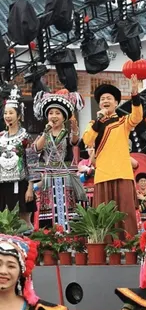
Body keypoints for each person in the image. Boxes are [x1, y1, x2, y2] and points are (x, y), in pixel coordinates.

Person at [82, 76, 142, 237]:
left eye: (109, 98)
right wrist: (98, 121)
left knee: (125, 212)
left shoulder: (123, 122)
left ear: (116, 103)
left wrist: (135, 94)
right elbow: (87, 140)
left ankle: (129, 244)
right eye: (102, 99)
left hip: (123, 173)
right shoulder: (93, 124)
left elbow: (137, 117)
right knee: (104, 214)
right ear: (99, 104)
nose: (105, 101)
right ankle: (106, 245)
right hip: (103, 174)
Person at [33, 90, 86, 230]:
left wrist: (75, 129)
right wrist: (46, 132)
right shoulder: (44, 133)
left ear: (64, 117)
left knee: (67, 207)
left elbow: (75, 142)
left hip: (65, 177)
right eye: (51, 113)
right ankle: (50, 239)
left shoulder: (67, 134)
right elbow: (37, 148)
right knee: (49, 208)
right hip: (49, 177)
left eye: (57, 113)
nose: (54, 116)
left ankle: (69, 238)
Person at [0, 88, 35, 224]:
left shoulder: (25, 137)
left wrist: (30, 188)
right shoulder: (1, 137)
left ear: (19, 116)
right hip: (2, 185)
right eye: (6, 113)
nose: (8, 116)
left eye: (11, 113)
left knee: (23, 219)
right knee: (4, 221)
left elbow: (31, 163)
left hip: (21, 184)